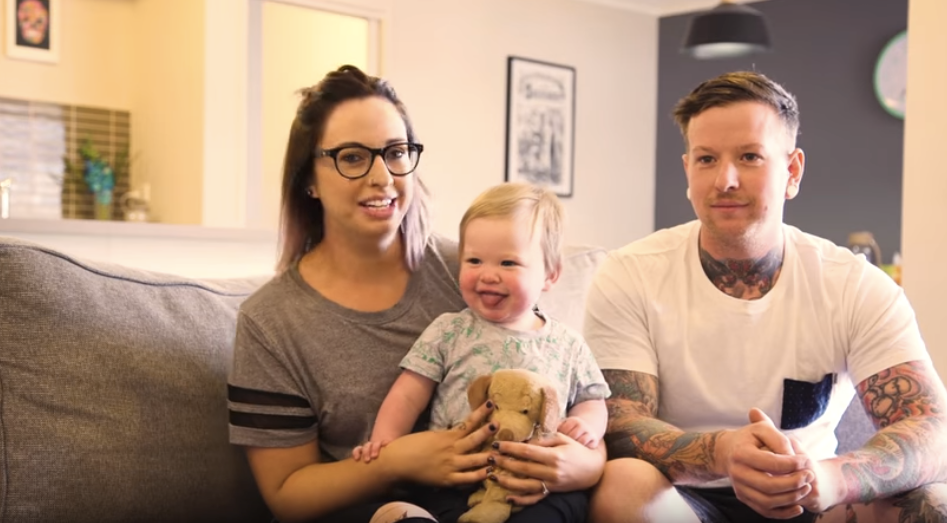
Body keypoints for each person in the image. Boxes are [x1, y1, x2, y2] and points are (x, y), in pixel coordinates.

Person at [226, 65, 606, 523]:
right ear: (309, 179)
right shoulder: (272, 322)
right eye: (351, 156)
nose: (383, 177)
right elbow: (287, 495)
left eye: (396, 152)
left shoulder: (472, 270)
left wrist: (583, 465)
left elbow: (553, 379)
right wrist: (397, 460)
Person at [584, 70, 947, 523]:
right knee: (622, 484)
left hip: (814, 498)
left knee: (931, 503)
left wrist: (828, 479)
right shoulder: (630, 273)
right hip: (684, 500)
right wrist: (721, 453)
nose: (725, 180)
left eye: (750, 157)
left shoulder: (853, 284)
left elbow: (932, 429)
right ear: (687, 170)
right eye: (706, 159)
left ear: (791, 171)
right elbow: (617, 423)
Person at [352, 183, 610, 507]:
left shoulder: (568, 343)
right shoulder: (450, 330)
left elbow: (593, 399)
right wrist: (385, 444)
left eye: (508, 263)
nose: (488, 275)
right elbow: (408, 392)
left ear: (550, 274)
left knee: (568, 505)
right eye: (474, 260)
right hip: (457, 477)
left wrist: (586, 425)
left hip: (535, 484)